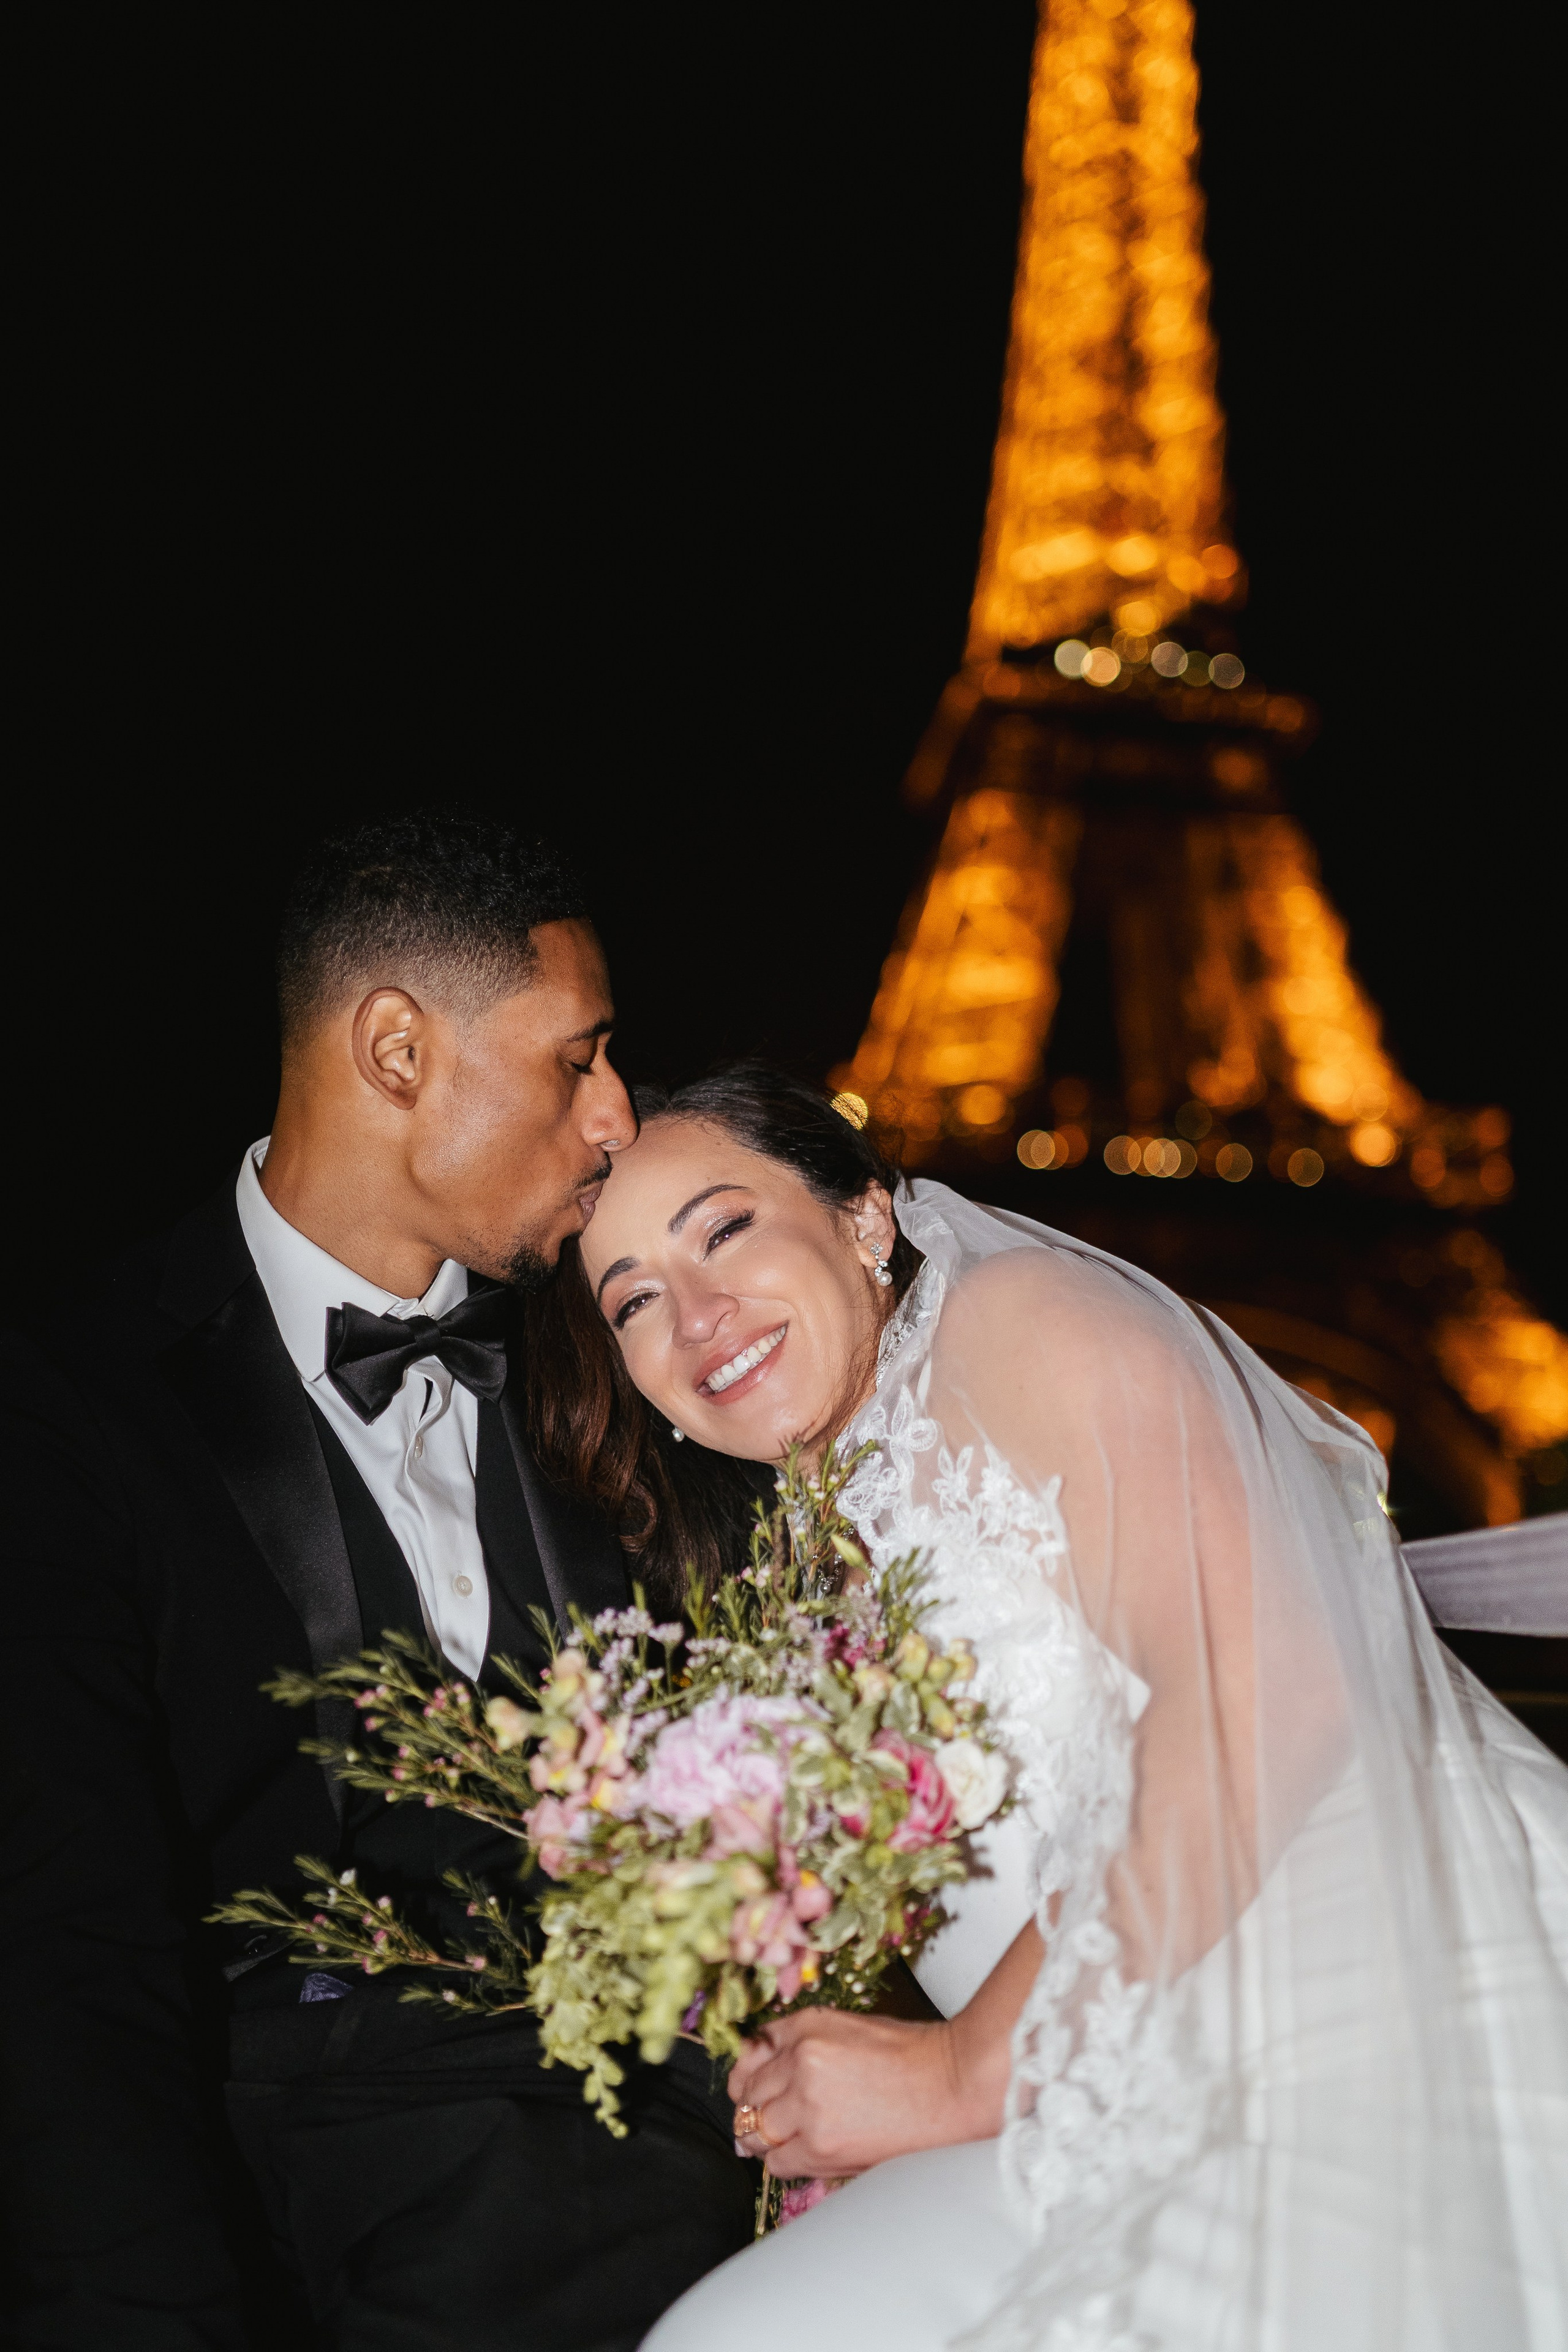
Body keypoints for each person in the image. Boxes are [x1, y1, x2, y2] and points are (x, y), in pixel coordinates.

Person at [529, 1061, 1568, 2351]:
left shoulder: (1010, 1323)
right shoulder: (819, 1552)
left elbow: (1277, 1690)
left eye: (724, 1229)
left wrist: (961, 2069)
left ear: (863, 1216)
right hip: (1099, 2078)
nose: (693, 1316)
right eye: (631, 1301)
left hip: (1328, 2019)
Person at [0, 818, 757, 2352]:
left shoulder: (644, 1348)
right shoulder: (70, 1403)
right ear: (396, 1052)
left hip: (675, 2201)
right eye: (577, 1058)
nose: (619, 1116)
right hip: (278, 2231)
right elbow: (68, 1958)